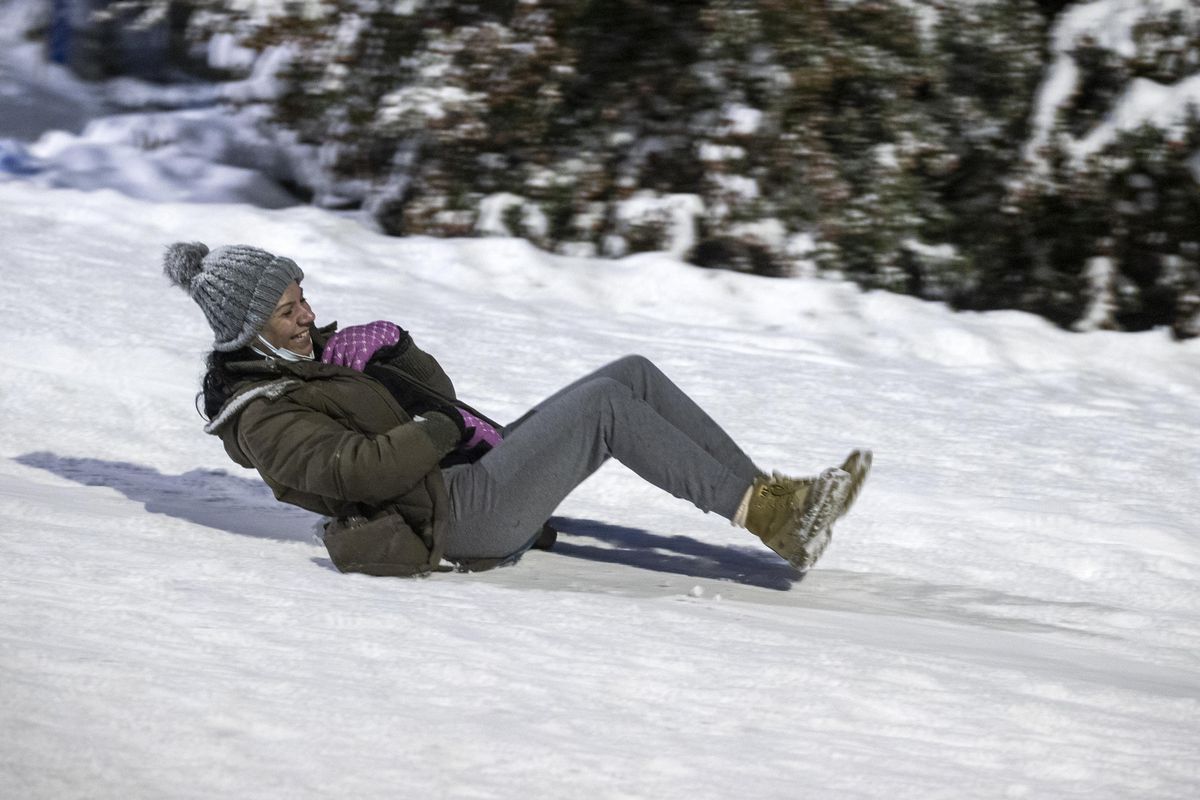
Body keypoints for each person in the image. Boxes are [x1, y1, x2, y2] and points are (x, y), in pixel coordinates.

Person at [165, 242, 871, 578]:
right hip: (450, 518)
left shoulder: (313, 356)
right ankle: (774, 516)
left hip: (461, 477)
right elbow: (354, 473)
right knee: (604, 409)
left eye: (303, 296)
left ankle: (774, 503)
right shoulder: (261, 415)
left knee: (631, 374)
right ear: (247, 329)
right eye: (288, 310)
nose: (307, 314)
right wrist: (432, 430)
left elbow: (441, 394)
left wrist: (396, 353)